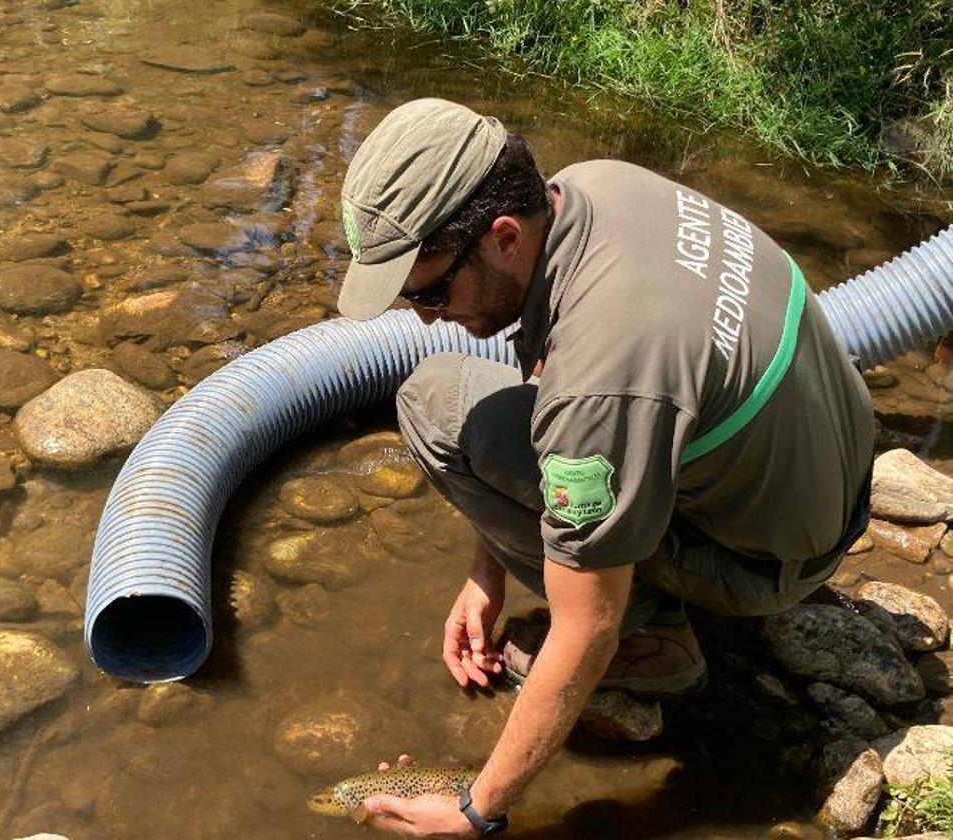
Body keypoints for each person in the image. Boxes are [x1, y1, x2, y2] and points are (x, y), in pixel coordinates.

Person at [334, 98, 875, 838]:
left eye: (428, 292)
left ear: (502, 237)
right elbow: (553, 393)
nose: (423, 316)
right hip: (818, 475)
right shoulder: (589, 189)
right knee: (437, 396)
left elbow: (585, 625)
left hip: (775, 561)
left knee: (441, 414)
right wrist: (486, 572)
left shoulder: (602, 380)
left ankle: (656, 649)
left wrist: (476, 811)